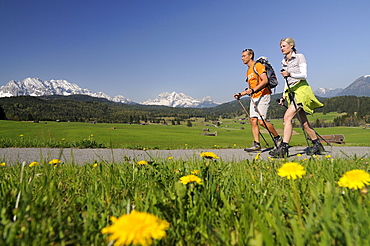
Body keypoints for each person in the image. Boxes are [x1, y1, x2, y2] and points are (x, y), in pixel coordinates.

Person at [269, 37, 324, 157]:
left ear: (291, 46)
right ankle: (317, 144)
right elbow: (286, 80)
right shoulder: (284, 61)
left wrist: (290, 73)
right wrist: (284, 95)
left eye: (284, 46)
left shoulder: (300, 57)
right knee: (303, 122)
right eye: (281, 46)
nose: (281, 48)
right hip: (291, 92)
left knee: (287, 117)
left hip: (301, 91)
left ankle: (283, 148)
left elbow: (304, 75)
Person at [234, 48, 282, 152]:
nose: (242, 58)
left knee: (261, 122)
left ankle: (278, 138)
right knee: (253, 120)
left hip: (263, 95)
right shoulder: (248, 71)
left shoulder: (258, 66)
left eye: (244, 56)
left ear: (250, 56)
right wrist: (240, 94)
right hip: (254, 97)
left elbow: (265, 81)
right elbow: (250, 88)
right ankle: (256, 144)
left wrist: (254, 90)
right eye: (242, 56)